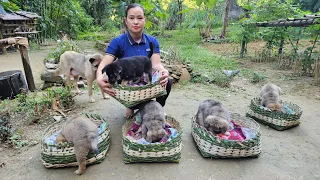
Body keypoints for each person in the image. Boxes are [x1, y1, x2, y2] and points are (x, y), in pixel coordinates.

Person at [96, 3, 172, 118]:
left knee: (167, 82)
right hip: (129, 83)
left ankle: (157, 108)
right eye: (131, 18)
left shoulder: (152, 41)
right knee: (128, 85)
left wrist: (163, 71)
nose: (136, 22)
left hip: (145, 81)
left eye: (140, 18)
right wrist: (98, 79)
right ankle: (130, 106)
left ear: (145, 20)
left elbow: (156, 64)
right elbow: (104, 63)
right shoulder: (118, 42)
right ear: (126, 21)